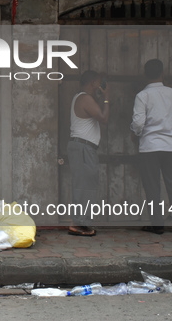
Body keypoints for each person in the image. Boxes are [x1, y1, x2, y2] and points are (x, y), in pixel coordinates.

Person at [130, 59, 172, 235]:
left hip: (150, 147)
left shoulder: (142, 96)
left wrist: (134, 133)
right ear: (162, 73)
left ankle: (157, 225)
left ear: (145, 75)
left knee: (152, 187)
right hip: (170, 146)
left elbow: (138, 123)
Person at [67, 70, 110, 236]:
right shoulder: (85, 98)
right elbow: (104, 118)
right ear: (93, 83)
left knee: (86, 185)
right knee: (84, 186)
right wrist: (107, 97)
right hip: (83, 147)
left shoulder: (83, 97)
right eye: (100, 81)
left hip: (83, 147)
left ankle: (80, 222)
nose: (102, 84)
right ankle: (79, 223)